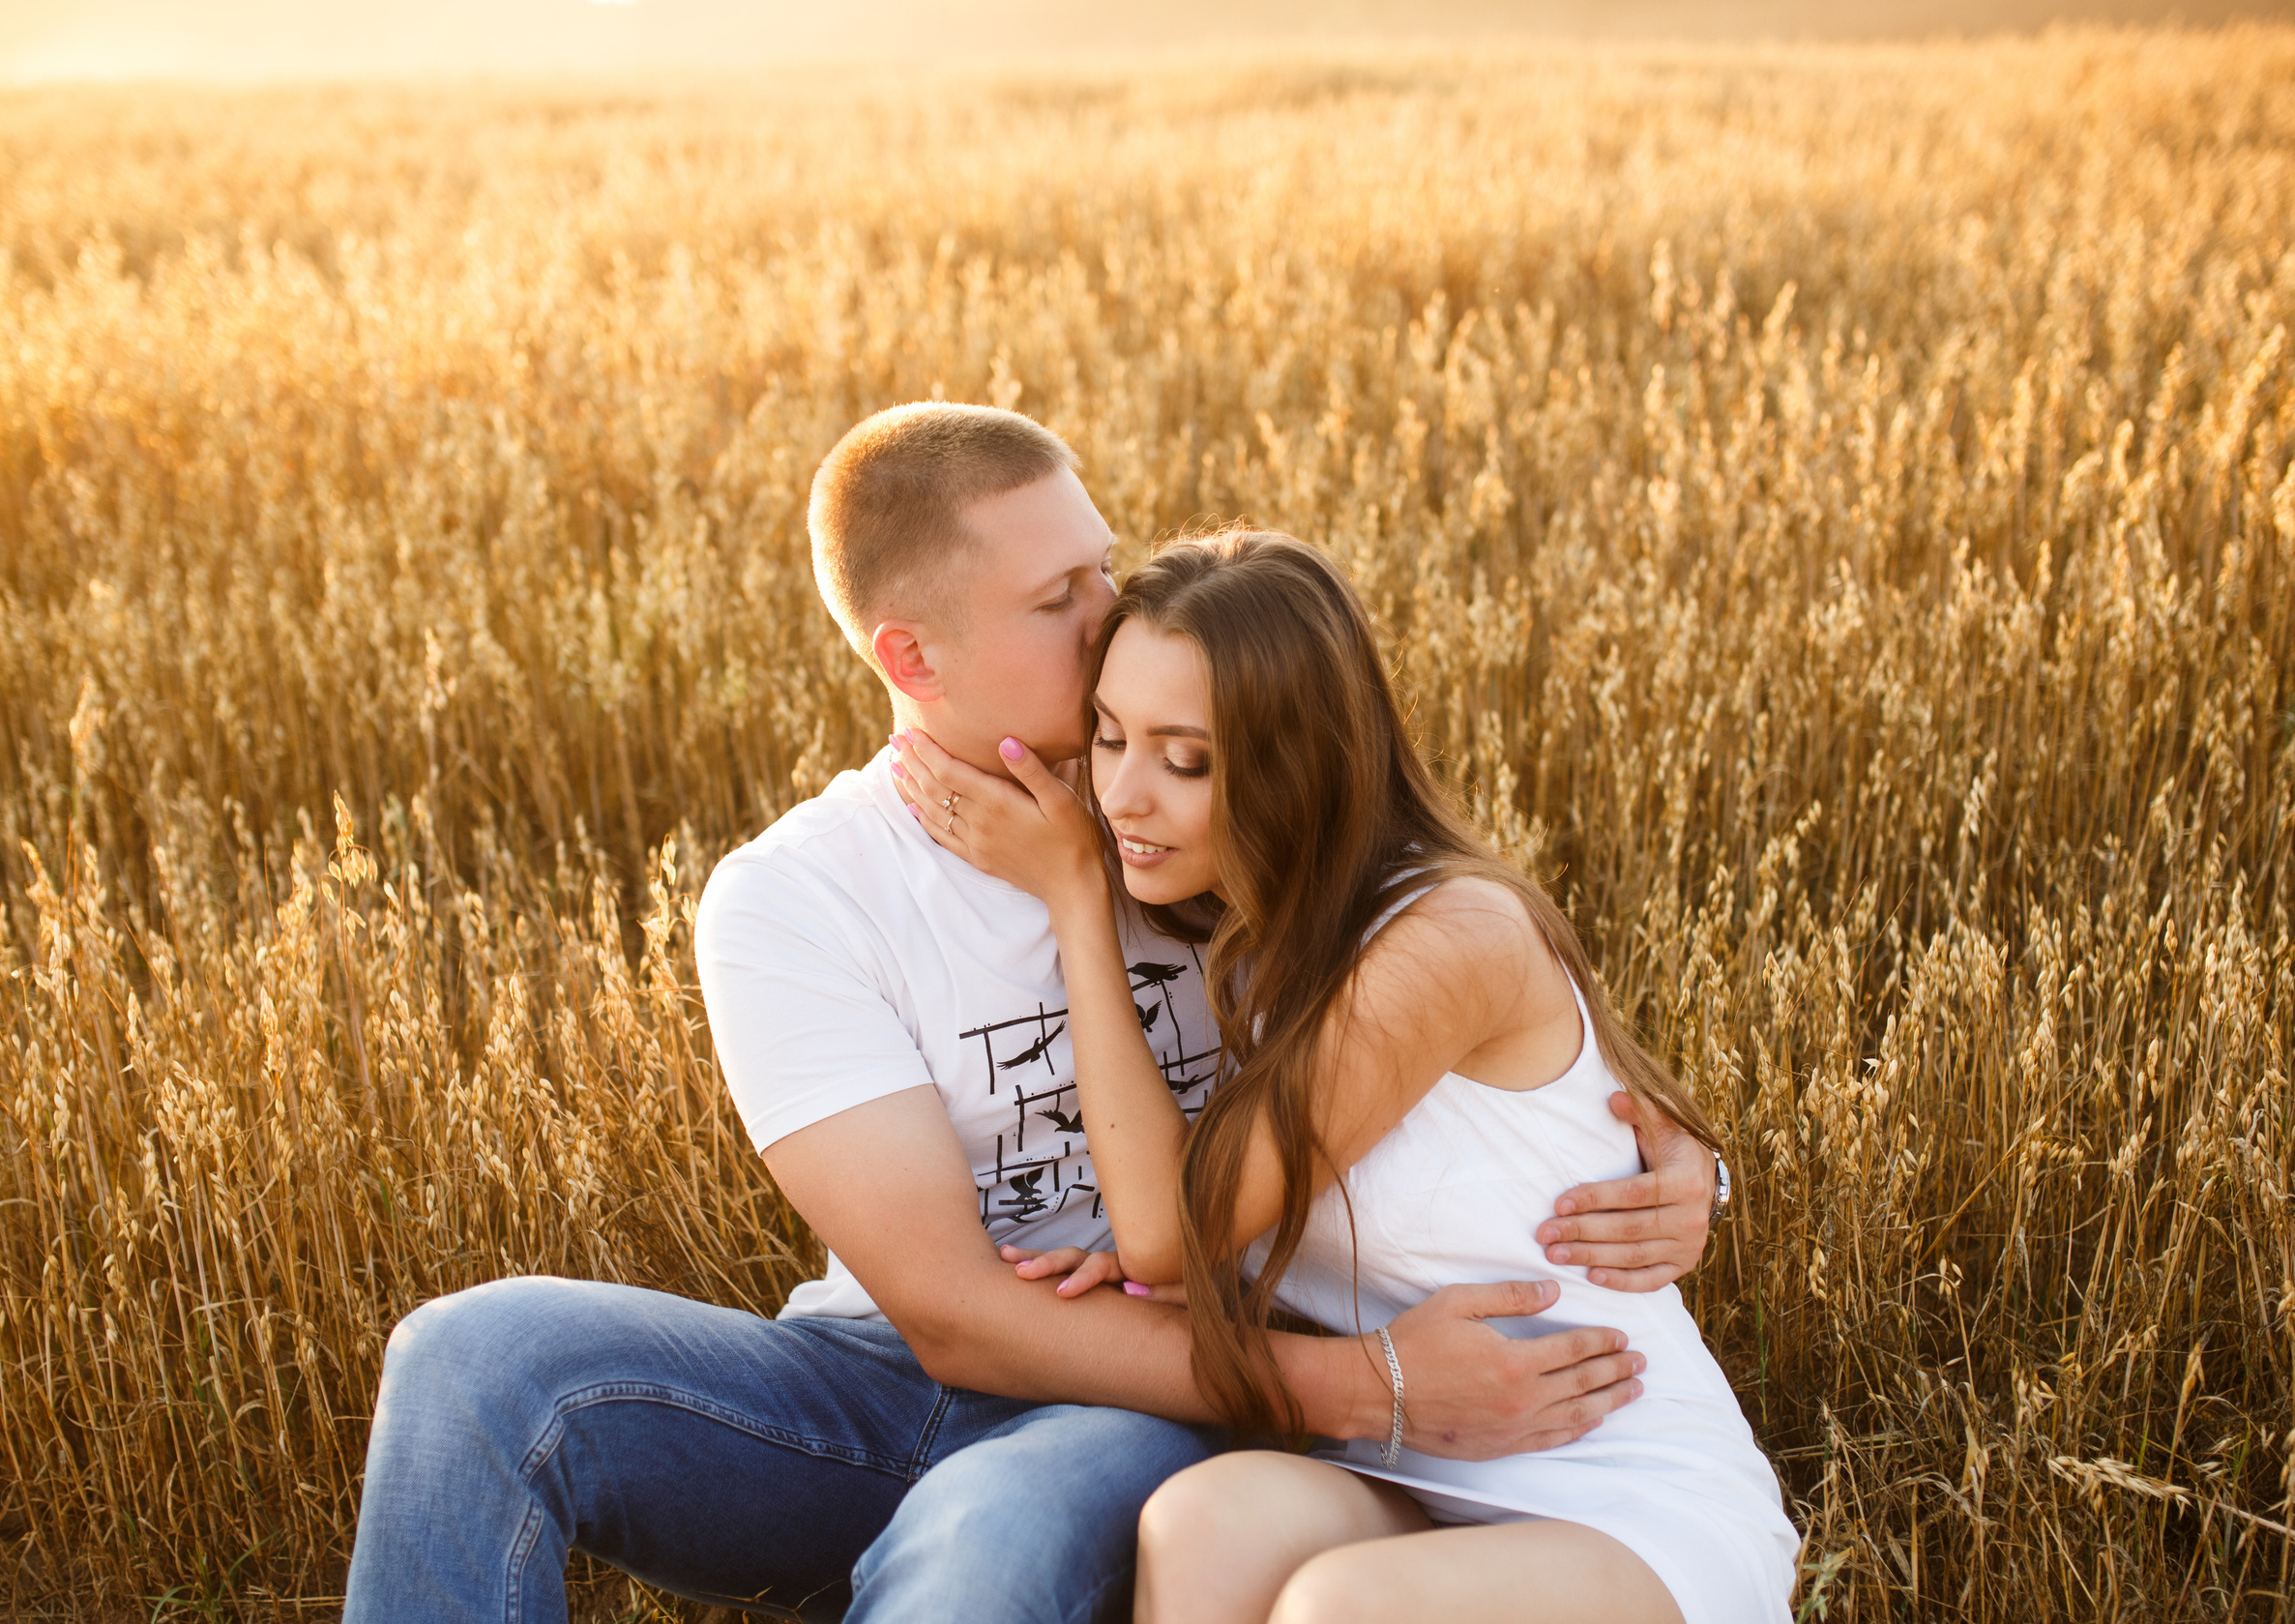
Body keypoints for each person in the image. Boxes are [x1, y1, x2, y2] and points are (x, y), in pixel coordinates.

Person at [340, 407, 1725, 1624]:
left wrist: (1677, 1158)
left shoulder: (1213, 821)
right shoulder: (796, 895)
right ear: (913, 651)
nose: (1111, 612)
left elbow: (1479, 1000)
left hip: (1166, 1399)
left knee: (983, 1537)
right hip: (886, 1386)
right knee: (473, 1356)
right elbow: (952, 1316)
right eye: (1061, 595)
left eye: (1105, 567)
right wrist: (1360, 1383)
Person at [889, 529, 1798, 1624]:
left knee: (1338, 1605)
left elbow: (1172, 1228)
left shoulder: (1449, 935)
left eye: (1186, 760)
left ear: (1300, 759)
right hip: (1412, 1457)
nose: (1122, 795)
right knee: (1203, 1521)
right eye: (1110, 736)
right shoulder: (1245, 931)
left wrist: (1076, 901)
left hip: (1616, 1485)